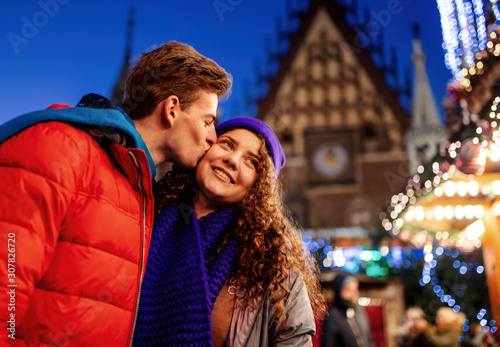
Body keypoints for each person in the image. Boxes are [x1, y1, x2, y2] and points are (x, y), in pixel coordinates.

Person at [0, 41, 231, 345]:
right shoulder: (60, 148)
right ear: (172, 109)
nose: (213, 138)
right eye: (208, 121)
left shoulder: (143, 192)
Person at [132, 117, 326, 346]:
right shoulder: (142, 218)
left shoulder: (274, 267)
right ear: (206, 148)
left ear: (258, 186)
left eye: (252, 162)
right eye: (227, 144)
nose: (232, 159)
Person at [321, 273, 375, 347]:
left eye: (355, 289)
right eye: (349, 290)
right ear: (339, 291)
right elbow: (328, 344)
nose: (354, 294)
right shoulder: (332, 315)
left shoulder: (359, 309)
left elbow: (369, 338)